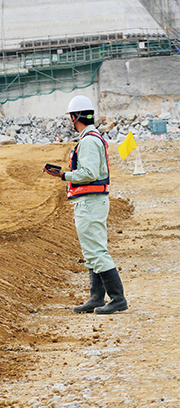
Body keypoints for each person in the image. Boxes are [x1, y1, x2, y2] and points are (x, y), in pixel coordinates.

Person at [43, 95, 128, 315]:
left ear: (75, 117)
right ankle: (96, 298)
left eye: (71, 118)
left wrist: (64, 175)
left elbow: (89, 173)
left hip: (91, 202)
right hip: (88, 202)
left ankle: (118, 299)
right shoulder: (90, 137)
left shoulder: (89, 140)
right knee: (91, 252)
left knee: (97, 251)